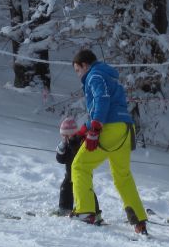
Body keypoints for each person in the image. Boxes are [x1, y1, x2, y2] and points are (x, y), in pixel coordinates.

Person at [70, 49, 149, 235]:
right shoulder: (107, 75)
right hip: (125, 128)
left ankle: (85, 211)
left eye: (77, 70)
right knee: (123, 176)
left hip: (109, 128)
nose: (78, 75)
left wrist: (95, 129)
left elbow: (102, 99)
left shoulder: (94, 75)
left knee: (80, 166)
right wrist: (85, 128)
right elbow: (109, 104)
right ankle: (139, 219)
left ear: (84, 65)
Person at [55, 117, 101, 221]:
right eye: (63, 136)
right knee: (65, 187)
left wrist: (72, 142)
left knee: (86, 190)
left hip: (82, 173)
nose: (65, 138)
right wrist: (62, 147)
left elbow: (79, 152)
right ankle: (65, 208)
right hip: (70, 174)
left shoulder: (80, 141)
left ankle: (96, 213)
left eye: (67, 135)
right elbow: (60, 159)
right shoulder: (65, 145)